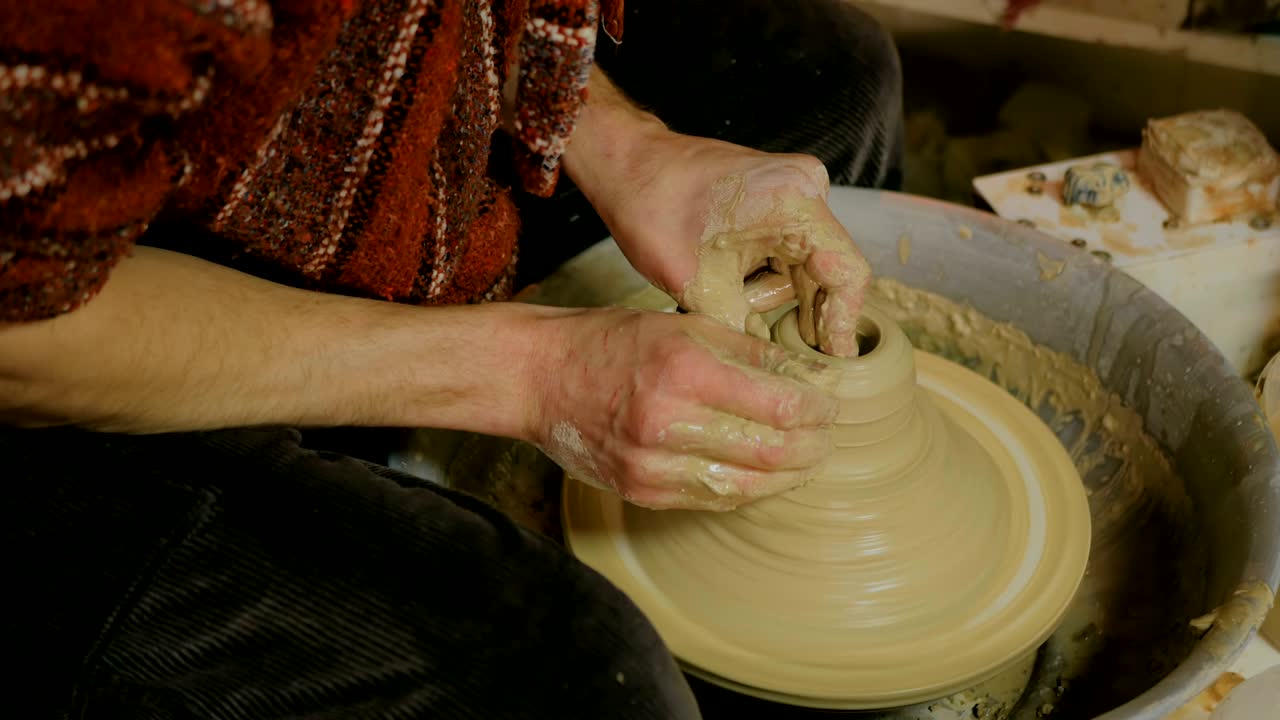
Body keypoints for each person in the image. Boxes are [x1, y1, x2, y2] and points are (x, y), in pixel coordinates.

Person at [1, 0, 903, 717]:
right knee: (578, 683)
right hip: (67, 327)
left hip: (257, 105)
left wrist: (630, 148)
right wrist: (531, 373)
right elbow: (22, 331)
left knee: (835, 81)